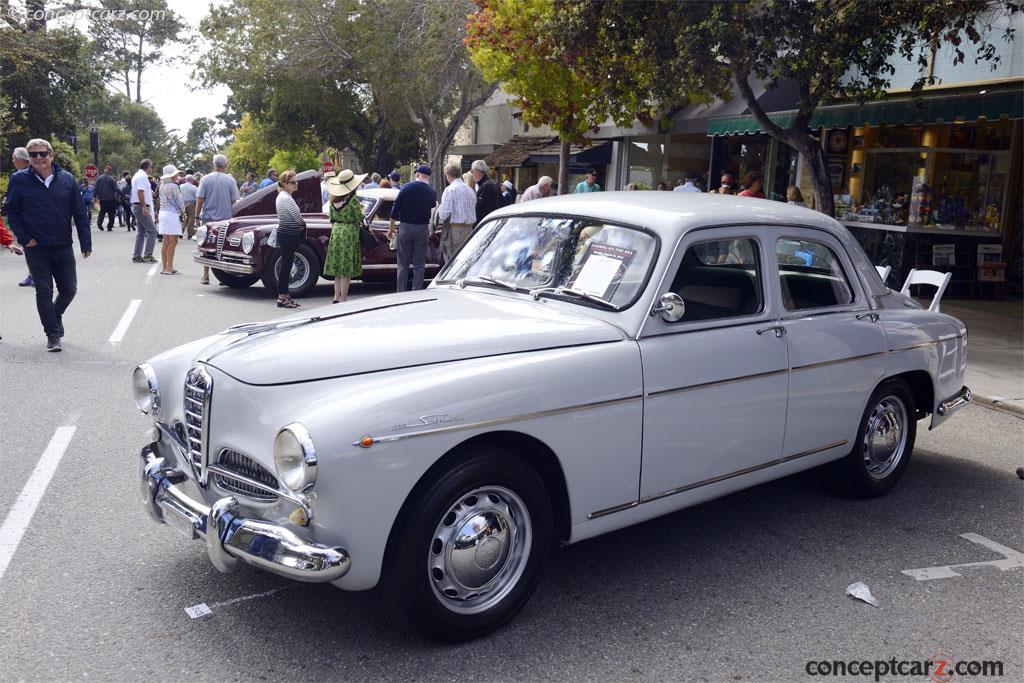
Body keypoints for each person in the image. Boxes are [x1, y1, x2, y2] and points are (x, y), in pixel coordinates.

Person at [3, 138, 92, 352]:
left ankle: (55, 314)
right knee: (44, 290)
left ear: (51, 155)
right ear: (29, 158)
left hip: (62, 244)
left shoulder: (67, 180)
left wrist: (85, 242)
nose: (39, 158)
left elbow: (79, 213)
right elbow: (12, 212)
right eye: (33, 155)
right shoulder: (19, 180)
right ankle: (52, 334)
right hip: (36, 247)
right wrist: (25, 238)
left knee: (69, 289)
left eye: (43, 153)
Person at [387, 164, 437, 292]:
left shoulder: (406, 187)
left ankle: (401, 292)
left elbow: (395, 209)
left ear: (417, 174)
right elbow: (432, 206)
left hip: (405, 227)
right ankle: (416, 291)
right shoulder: (431, 192)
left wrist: (391, 227)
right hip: (422, 228)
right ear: (429, 177)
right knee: (419, 264)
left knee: (403, 263)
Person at [322, 169, 367, 303]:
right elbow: (359, 217)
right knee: (346, 268)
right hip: (349, 232)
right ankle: (343, 299)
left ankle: (336, 296)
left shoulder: (332, 200)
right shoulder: (353, 201)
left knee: (337, 269)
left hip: (336, 232)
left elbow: (331, 218)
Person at [194, 153, 240, 284]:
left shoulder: (205, 179)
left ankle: (205, 275)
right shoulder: (230, 180)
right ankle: (224, 276)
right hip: (225, 219)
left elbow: (200, 199)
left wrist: (197, 216)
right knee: (224, 247)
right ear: (226, 165)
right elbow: (234, 201)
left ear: (214, 165)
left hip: (208, 218)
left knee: (207, 246)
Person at [273, 169, 305, 308]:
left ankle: (285, 295)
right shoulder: (286, 198)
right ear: (285, 184)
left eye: (296, 181)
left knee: (286, 266)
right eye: (292, 182)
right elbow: (297, 218)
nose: (296, 184)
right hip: (288, 234)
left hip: (286, 234)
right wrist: (303, 224)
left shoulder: (283, 196)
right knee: (286, 267)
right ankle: (282, 296)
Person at [438, 163, 477, 261]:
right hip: (470, 229)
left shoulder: (450, 190)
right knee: (466, 260)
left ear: (447, 175)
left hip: (456, 229)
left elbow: (443, 215)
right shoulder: (470, 190)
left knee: (453, 261)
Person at [10, 147, 34, 287]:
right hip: (23, 218)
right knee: (29, 247)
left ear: (21, 159)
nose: (12, 160)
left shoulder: (28, 175)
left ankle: (36, 276)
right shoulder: (19, 174)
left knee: (32, 248)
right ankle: (34, 275)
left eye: (14, 158)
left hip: (29, 218)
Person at [157, 165, 185, 274]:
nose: (177, 175)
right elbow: (179, 201)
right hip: (171, 214)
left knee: (166, 242)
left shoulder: (161, 186)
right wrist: (183, 212)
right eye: (176, 173)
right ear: (172, 175)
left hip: (163, 213)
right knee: (173, 242)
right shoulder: (174, 186)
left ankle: (165, 267)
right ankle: (169, 268)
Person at [130, 159, 158, 263]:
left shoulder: (137, 175)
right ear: (148, 167)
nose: (152, 169)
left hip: (137, 205)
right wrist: (144, 207)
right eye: (152, 166)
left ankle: (137, 255)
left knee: (141, 232)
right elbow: (140, 192)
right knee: (152, 231)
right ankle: (148, 254)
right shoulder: (142, 177)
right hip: (140, 206)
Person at [471, 160, 500, 224]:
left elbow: (480, 208)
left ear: (477, 171)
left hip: (487, 223)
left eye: (472, 171)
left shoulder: (487, 186)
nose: (472, 174)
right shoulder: (488, 184)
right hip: (489, 221)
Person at [94, 166, 119, 231]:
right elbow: (116, 189)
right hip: (111, 199)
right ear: (110, 171)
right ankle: (109, 226)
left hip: (102, 198)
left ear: (104, 170)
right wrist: (123, 195)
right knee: (111, 213)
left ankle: (99, 222)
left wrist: (94, 196)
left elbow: (95, 188)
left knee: (102, 211)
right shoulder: (112, 179)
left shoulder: (98, 178)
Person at [179, 174, 198, 238]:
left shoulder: (180, 186)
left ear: (185, 180)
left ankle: (180, 231)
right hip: (191, 203)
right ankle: (190, 234)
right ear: (192, 180)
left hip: (182, 203)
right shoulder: (194, 187)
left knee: (182, 218)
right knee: (191, 218)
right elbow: (197, 197)